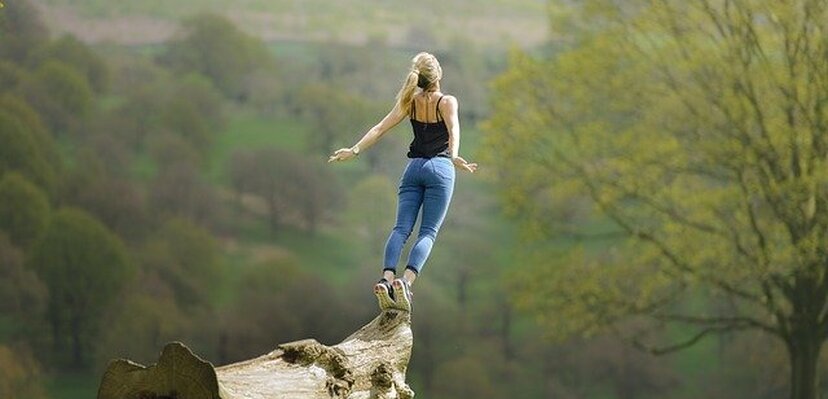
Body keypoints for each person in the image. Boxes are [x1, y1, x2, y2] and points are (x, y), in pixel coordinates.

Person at [328, 52, 477, 312]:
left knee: (400, 229)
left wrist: (354, 150)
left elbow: (379, 128)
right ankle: (405, 283)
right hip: (439, 169)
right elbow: (454, 129)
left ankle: (386, 279)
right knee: (428, 231)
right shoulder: (447, 101)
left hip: (413, 169)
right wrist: (454, 157)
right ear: (438, 75)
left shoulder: (410, 101)